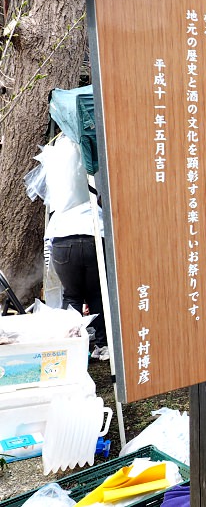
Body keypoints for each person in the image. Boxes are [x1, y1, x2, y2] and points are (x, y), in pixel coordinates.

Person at [43, 134, 109, 360]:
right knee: (97, 295)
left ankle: (71, 349)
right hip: (92, 231)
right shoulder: (92, 159)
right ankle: (103, 345)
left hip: (62, 236)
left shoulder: (54, 162)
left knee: (72, 297)